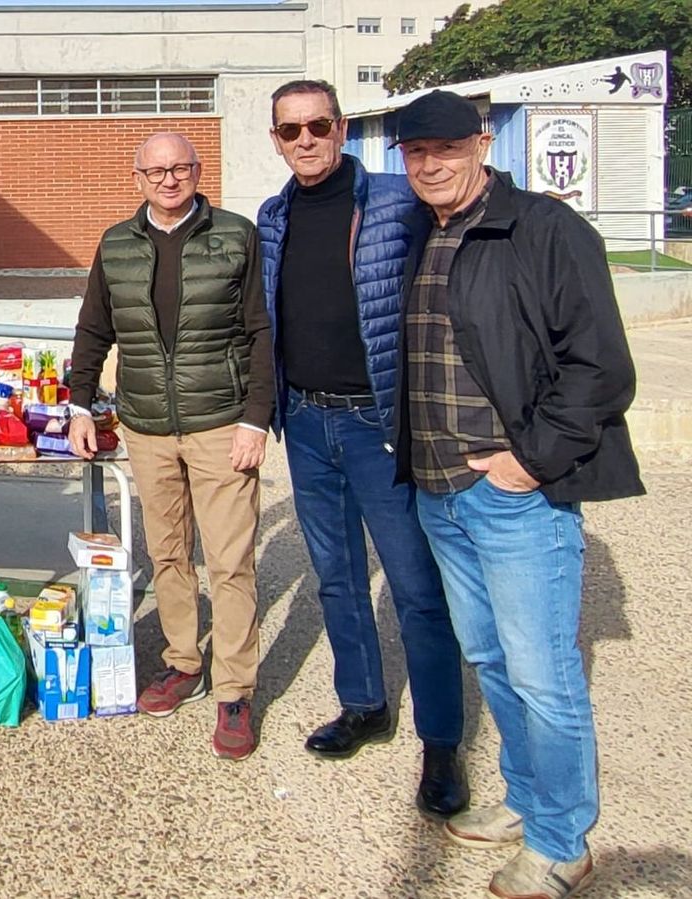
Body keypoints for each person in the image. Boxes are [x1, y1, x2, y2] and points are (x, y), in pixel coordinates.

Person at [394, 90, 643, 899]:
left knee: (543, 672)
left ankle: (564, 838)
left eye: (446, 148)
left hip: (512, 496)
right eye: (414, 151)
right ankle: (530, 799)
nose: (429, 164)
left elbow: (601, 367)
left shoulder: (544, 228)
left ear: (481, 143)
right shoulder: (429, 235)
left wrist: (530, 462)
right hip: (440, 493)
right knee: (492, 657)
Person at [255, 80, 468, 816]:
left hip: (380, 423)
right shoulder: (273, 216)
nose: (306, 139)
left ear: (340, 127)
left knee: (415, 585)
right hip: (308, 424)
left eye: (318, 124)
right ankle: (364, 704)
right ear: (276, 138)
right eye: (291, 130)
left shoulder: (395, 200)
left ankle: (441, 740)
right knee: (338, 577)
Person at [66, 132, 272, 761]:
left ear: (197, 171)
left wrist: (256, 419)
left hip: (220, 421)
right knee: (168, 555)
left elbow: (260, 328)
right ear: (137, 178)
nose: (168, 179)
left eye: (179, 167)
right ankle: (184, 661)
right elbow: (94, 326)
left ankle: (234, 691)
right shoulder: (116, 244)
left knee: (231, 561)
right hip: (147, 426)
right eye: (155, 170)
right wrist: (79, 404)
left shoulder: (235, 235)